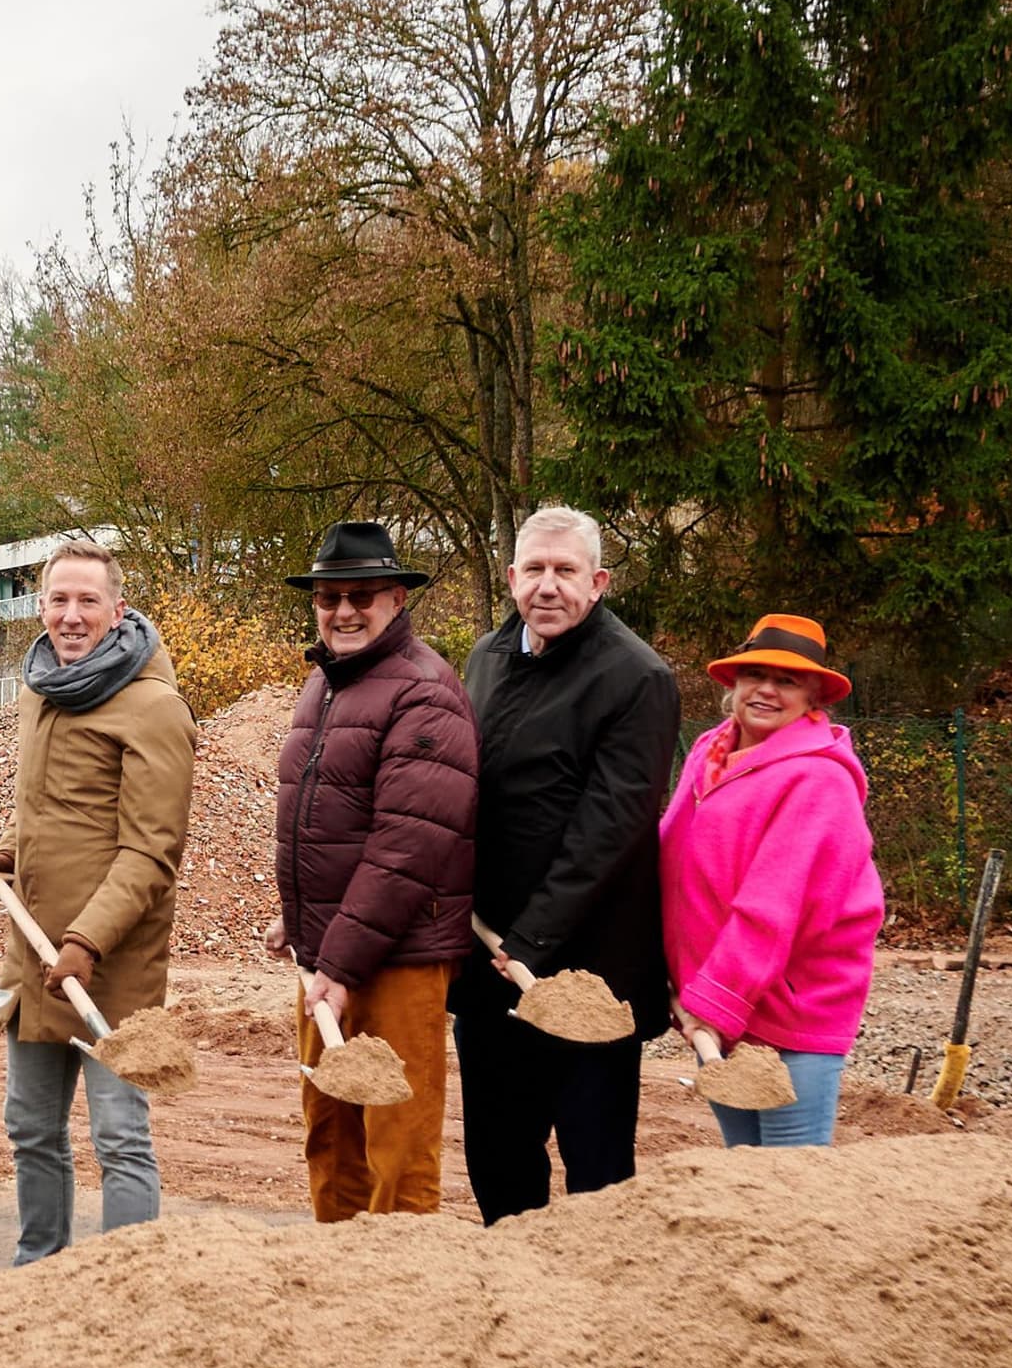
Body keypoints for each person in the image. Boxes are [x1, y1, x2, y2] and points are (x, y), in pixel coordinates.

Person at [0, 537, 194, 1262]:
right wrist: (7, 852)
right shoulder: (41, 689)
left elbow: (152, 851)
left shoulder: (154, 708)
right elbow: (45, 808)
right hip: (35, 957)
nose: (71, 615)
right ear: (40, 607)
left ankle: (123, 1283)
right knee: (30, 1127)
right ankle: (40, 1270)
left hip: (109, 964)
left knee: (119, 1135)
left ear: (117, 611)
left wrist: (87, 941)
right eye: (58, 599)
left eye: (87, 600)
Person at [455, 507, 680, 1214]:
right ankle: (515, 1277)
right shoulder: (486, 658)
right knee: (498, 1156)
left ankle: (600, 1285)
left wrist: (533, 939)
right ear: (511, 576)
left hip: (591, 971)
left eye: (565, 571)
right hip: (491, 970)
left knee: (597, 1170)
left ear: (598, 582)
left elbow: (610, 828)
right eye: (535, 570)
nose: (547, 586)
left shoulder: (637, 678)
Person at [268, 519, 478, 1220]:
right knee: (331, 1140)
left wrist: (339, 961)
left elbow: (408, 846)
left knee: (398, 1146)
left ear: (396, 599)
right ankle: (338, 1274)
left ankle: (400, 1282)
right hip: (330, 955)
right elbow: (329, 822)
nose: (344, 611)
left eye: (362, 595)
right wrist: (299, 916)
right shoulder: (323, 684)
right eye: (329, 598)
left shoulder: (424, 690)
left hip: (399, 958)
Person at [657, 613, 885, 1150]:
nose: (766, 690)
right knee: (747, 1171)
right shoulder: (710, 753)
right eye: (755, 674)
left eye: (786, 681)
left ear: (813, 696)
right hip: (715, 1003)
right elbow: (669, 855)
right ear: (734, 683)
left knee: (790, 1176)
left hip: (787, 1013)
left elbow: (773, 906)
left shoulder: (819, 779)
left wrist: (712, 1004)